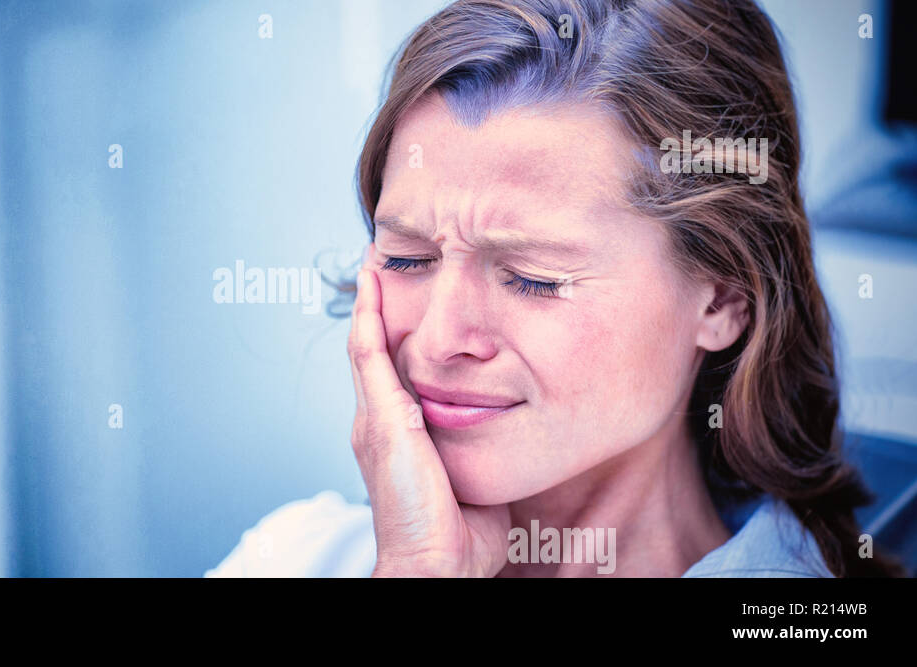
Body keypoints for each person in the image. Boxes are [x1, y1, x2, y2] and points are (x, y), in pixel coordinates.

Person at [207, 0, 904, 577]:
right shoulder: (294, 555)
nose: (440, 339)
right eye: (409, 257)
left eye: (534, 278)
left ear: (722, 299)